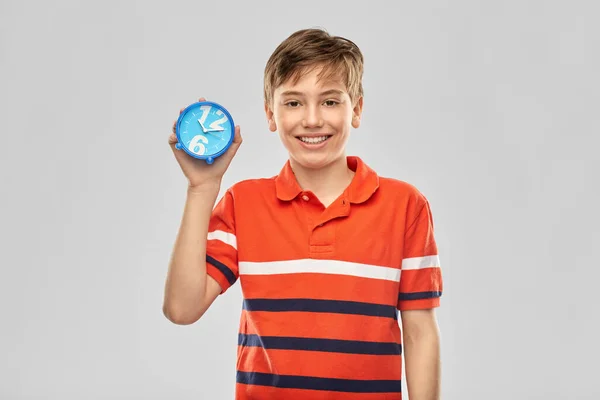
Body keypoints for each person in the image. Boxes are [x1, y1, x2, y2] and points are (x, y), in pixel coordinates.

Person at [164, 28, 443, 400]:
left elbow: (420, 330)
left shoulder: (405, 205)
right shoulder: (242, 203)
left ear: (356, 109)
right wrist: (202, 189)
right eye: (293, 103)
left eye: (330, 101)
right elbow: (181, 308)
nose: (312, 120)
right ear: (270, 114)